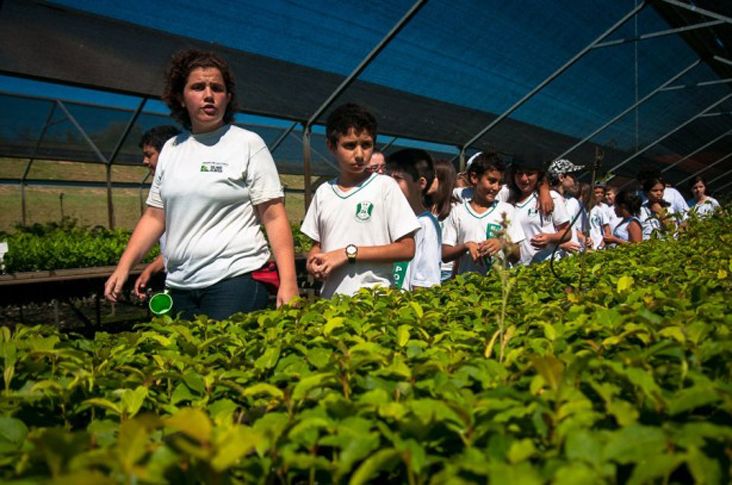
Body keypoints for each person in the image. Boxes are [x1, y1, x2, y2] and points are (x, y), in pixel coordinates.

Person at [104, 49, 298, 319]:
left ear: (227, 98)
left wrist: (289, 282)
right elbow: (154, 216)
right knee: (181, 359)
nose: (209, 95)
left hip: (235, 278)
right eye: (198, 87)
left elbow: (274, 216)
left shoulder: (247, 144)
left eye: (217, 88)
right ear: (181, 98)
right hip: (179, 283)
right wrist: (124, 266)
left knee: (225, 359)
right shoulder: (172, 149)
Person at [300, 103, 419, 298]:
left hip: (374, 302)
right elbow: (317, 244)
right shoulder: (324, 192)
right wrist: (313, 260)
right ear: (331, 146)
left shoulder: (385, 187)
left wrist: (349, 253)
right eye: (349, 145)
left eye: (366, 145)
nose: (359, 154)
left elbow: (407, 248)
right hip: (331, 301)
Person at [442, 153, 524, 275]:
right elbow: (445, 254)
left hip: (497, 287)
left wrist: (502, 243)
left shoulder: (507, 210)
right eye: (492, 181)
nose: (496, 187)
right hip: (466, 287)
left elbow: (517, 255)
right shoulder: (458, 212)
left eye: (500, 182)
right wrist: (465, 246)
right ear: (474, 178)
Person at [133, 125, 181, 299]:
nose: (144, 161)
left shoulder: (185, 193)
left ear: (168, 152)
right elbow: (175, 247)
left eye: (149, 155)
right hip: (176, 278)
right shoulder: (161, 190)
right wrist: (150, 269)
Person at [387, 149, 442, 290]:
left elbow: (425, 284)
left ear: (420, 183)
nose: (390, 184)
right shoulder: (388, 217)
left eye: (398, 179)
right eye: (389, 178)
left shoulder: (426, 224)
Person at [508, 156, 571, 265]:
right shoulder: (507, 198)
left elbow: (567, 233)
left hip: (547, 267)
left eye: (530, 173)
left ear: (538, 175)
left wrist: (550, 238)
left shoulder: (552, 197)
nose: (524, 178)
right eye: (519, 173)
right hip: (519, 271)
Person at [430, 159, 460, 281]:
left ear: (443, 181)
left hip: (446, 271)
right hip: (427, 269)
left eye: (432, 177)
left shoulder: (455, 209)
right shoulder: (423, 207)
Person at [547, 159, 584, 255]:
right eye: (572, 176)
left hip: (572, 256)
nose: (575, 179)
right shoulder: (550, 199)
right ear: (561, 177)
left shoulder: (571, 200)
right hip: (554, 257)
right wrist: (561, 245)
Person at [640, 175, 679, 239]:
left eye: (661, 190)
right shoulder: (641, 210)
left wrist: (661, 212)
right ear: (646, 192)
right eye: (654, 190)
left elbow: (672, 229)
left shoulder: (669, 208)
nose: (659, 193)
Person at [588, 184, 610, 250]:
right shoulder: (583, 209)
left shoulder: (602, 209)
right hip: (588, 246)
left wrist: (601, 246)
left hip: (599, 246)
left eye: (602, 193)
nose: (600, 194)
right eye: (597, 193)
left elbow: (607, 230)